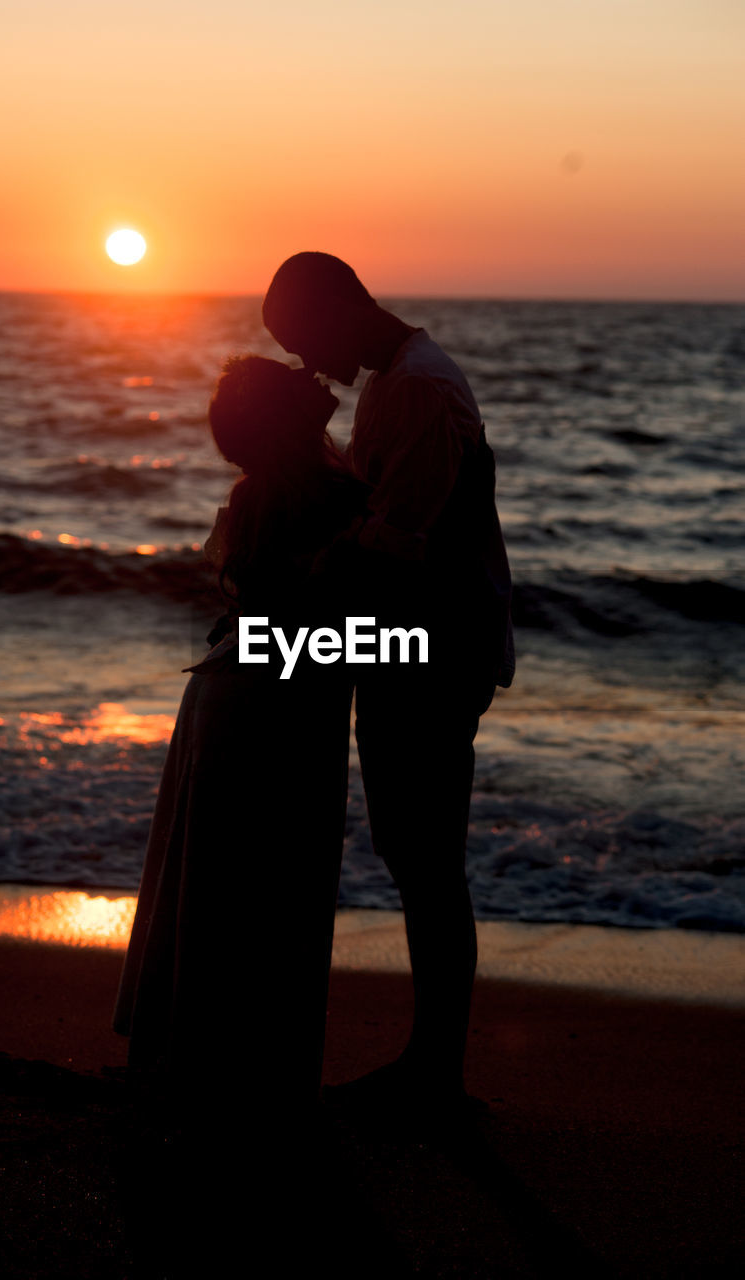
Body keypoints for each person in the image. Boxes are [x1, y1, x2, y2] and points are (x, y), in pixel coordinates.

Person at [263, 253, 514, 1125]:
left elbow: (396, 544)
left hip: (434, 653)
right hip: (425, 646)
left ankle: (435, 1075)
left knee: (428, 862)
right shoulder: (401, 379)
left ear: (339, 307)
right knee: (419, 857)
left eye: (305, 341)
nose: (309, 365)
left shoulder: (412, 390)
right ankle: (430, 1065)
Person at [113, 355, 366, 1152]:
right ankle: (271, 1082)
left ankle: (197, 1067)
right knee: (283, 887)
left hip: (231, 693)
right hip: (287, 707)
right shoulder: (347, 501)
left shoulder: (259, 502)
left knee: (214, 885)